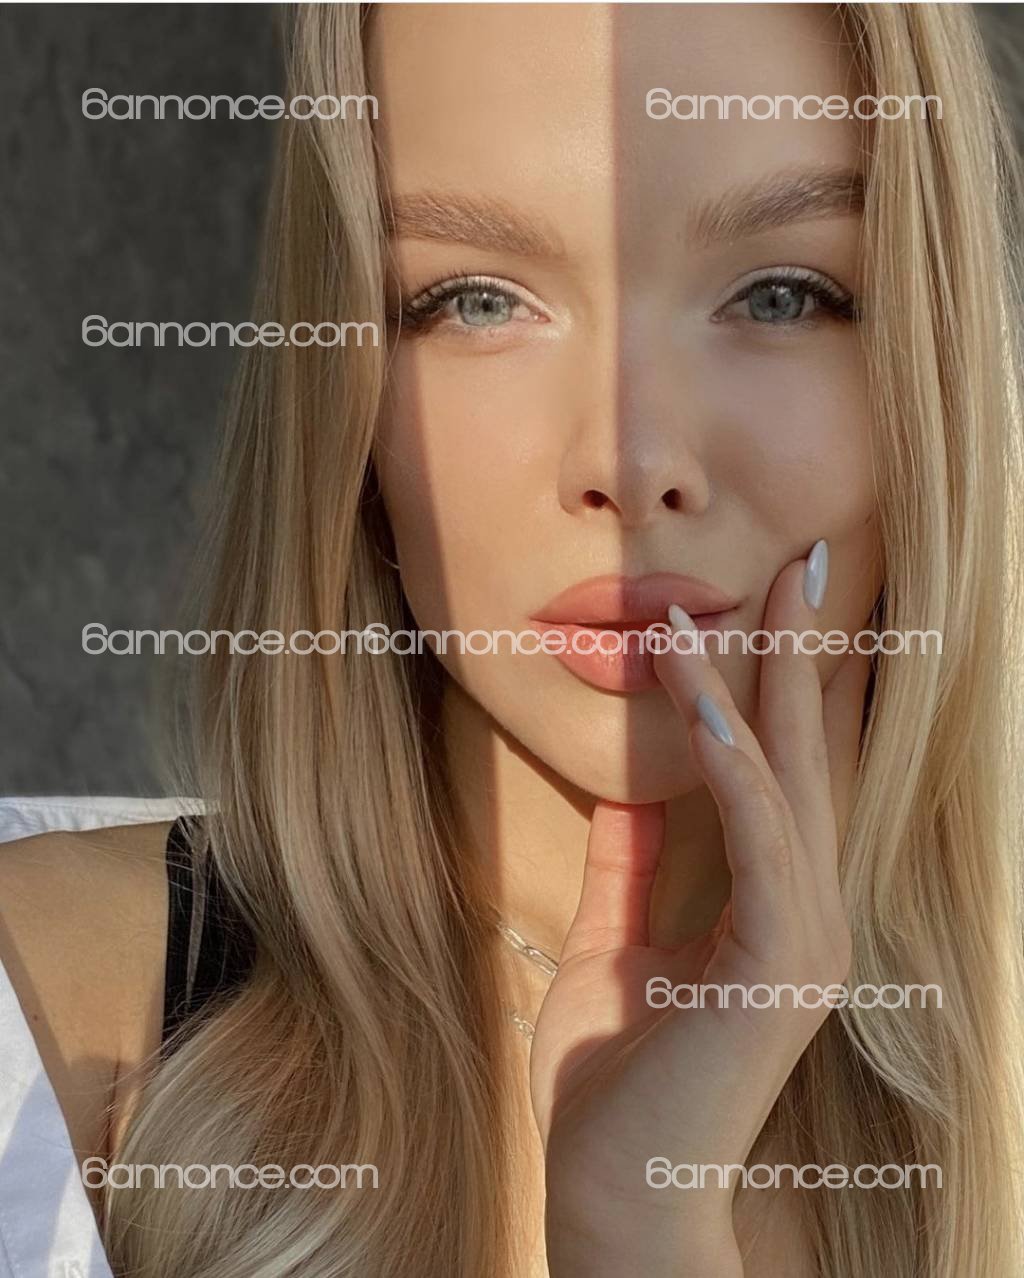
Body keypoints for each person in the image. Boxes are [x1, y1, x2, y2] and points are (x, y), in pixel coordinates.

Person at [1, 4, 1022, 1275]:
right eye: (475, 299)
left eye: (782, 294)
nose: (629, 461)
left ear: (932, 367)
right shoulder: (39, 1017)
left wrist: (640, 1234)